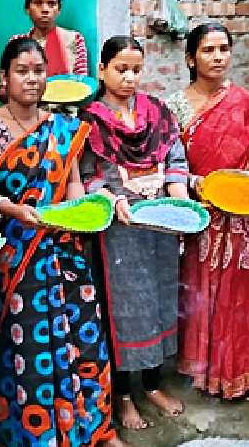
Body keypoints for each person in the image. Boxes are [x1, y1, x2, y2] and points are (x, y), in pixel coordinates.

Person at [0, 37, 125, 447]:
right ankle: (40, 432)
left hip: (64, 244)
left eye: (39, 71)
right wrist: (9, 208)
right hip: (16, 250)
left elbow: (71, 185)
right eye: (22, 71)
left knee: (81, 332)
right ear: (4, 78)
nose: (32, 79)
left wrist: (87, 211)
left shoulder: (60, 127)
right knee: (30, 337)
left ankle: (90, 426)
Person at [80, 36, 189, 429]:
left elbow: (176, 157)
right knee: (126, 309)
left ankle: (154, 384)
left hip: (160, 223)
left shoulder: (157, 112)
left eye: (136, 70)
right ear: (102, 70)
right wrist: (111, 199)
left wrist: (179, 197)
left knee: (160, 300)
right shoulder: (89, 120)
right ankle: (124, 395)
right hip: (119, 230)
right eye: (120, 69)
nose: (129, 77)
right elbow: (87, 175)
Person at [164, 23, 249, 399]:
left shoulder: (243, 101)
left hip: (239, 212)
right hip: (199, 208)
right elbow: (169, 163)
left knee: (238, 290)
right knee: (199, 287)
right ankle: (203, 367)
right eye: (208, 50)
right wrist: (195, 187)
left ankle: (238, 370)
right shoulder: (174, 105)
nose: (218, 56)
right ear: (191, 58)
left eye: (224, 48)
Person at [12, 0, 88, 77]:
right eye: (38, 3)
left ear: (59, 8)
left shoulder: (75, 39)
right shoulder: (16, 42)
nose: (45, 9)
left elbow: (82, 85)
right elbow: (7, 85)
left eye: (51, 3)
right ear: (27, 8)